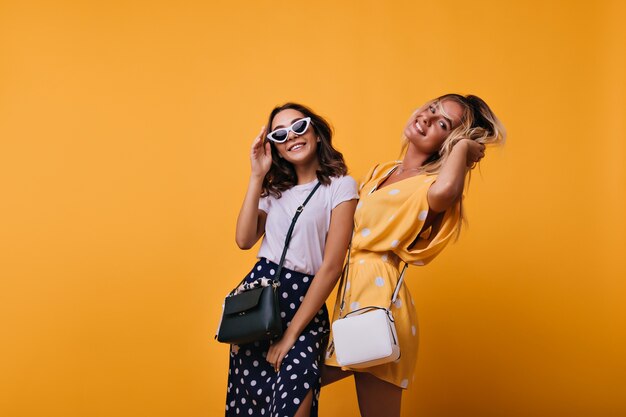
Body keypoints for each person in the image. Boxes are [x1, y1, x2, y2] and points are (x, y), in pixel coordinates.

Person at [322, 93, 506, 417]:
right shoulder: (382, 171)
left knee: (300, 382)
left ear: (448, 142)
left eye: (442, 124)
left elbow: (447, 191)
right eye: (432, 108)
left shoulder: (431, 184)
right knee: (291, 384)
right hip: (348, 301)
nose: (427, 118)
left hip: (377, 308)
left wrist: (462, 150)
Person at [225, 103, 358, 417]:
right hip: (261, 309)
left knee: (294, 403)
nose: (292, 137)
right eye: (280, 133)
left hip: (304, 306)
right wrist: (257, 174)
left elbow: (331, 267)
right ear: (276, 148)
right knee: (252, 408)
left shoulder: (340, 186)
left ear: (315, 131)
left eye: (299, 126)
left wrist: (291, 335)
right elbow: (244, 240)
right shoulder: (274, 191)